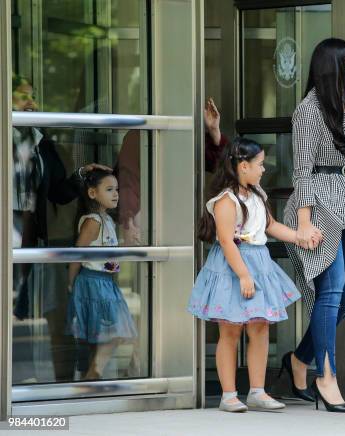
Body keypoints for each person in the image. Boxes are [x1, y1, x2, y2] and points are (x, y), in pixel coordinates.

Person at [281, 38, 345, 414]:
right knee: (330, 289)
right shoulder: (308, 111)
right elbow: (301, 171)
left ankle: (299, 360)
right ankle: (326, 376)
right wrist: (303, 224)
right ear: (332, 68)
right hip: (315, 204)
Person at [188, 137, 302, 412]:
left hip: (258, 263)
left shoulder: (257, 194)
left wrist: (299, 237)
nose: (263, 169)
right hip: (233, 267)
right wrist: (243, 275)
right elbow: (226, 241)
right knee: (230, 329)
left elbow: (271, 226)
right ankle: (229, 394)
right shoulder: (226, 201)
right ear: (242, 166)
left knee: (260, 327)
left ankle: (257, 391)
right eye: (259, 164)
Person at [11, 73, 111, 382]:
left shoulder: (42, 144)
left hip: (29, 235)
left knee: (51, 314)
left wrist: (81, 174)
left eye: (33, 96)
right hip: (10, 228)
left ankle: (59, 382)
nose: (31, 103)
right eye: (22, 96)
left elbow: (56, 192)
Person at [116, 97, 228, 245]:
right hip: (149, 212)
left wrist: (214, 130)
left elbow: (219, 166)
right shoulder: (137, 136)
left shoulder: (187, 134)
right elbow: (128, 179)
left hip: (184, 211)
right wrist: (128, 220)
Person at [65, 169, 138, 380]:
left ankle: (95, 373)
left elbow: (106, 250)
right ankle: (93, 373)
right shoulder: (93, 221)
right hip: (93, 283)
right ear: (92, 193)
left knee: (113, 332)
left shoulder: (106, 219)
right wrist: (71, 284)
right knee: (114, 332)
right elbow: (78, 255)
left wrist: (126, 243)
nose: (116, 194)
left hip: (107, 282)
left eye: (116, 189)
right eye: (109, 189)